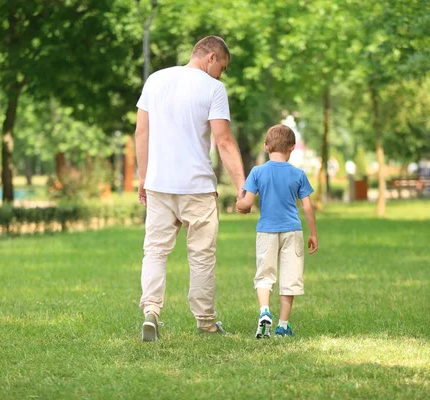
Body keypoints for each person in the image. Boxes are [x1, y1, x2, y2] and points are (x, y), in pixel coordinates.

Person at [135, 36, 247, 342]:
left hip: (159, 184)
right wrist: (242, 187)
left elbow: (141, 131)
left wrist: (143, 177)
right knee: (201, 256)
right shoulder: (213, 88)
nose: (221, 74)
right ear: (212, 58)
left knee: (155, 252)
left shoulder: (155, 80)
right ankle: (206, 322)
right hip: (196, 186)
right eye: (221, 67)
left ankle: (151, 313)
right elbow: (223, 140)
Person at [236, 124, 318, 338]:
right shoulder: (298, 174)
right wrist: (313, 234)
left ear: (265, 147)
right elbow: (307, 206)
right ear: (291, 147)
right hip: (292, 231)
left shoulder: (257, 172)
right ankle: (282, 325)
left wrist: (240, 204)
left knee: (264, 274)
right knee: (290, 277)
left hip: (266, 231)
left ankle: (264, 313)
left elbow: (246, 203)